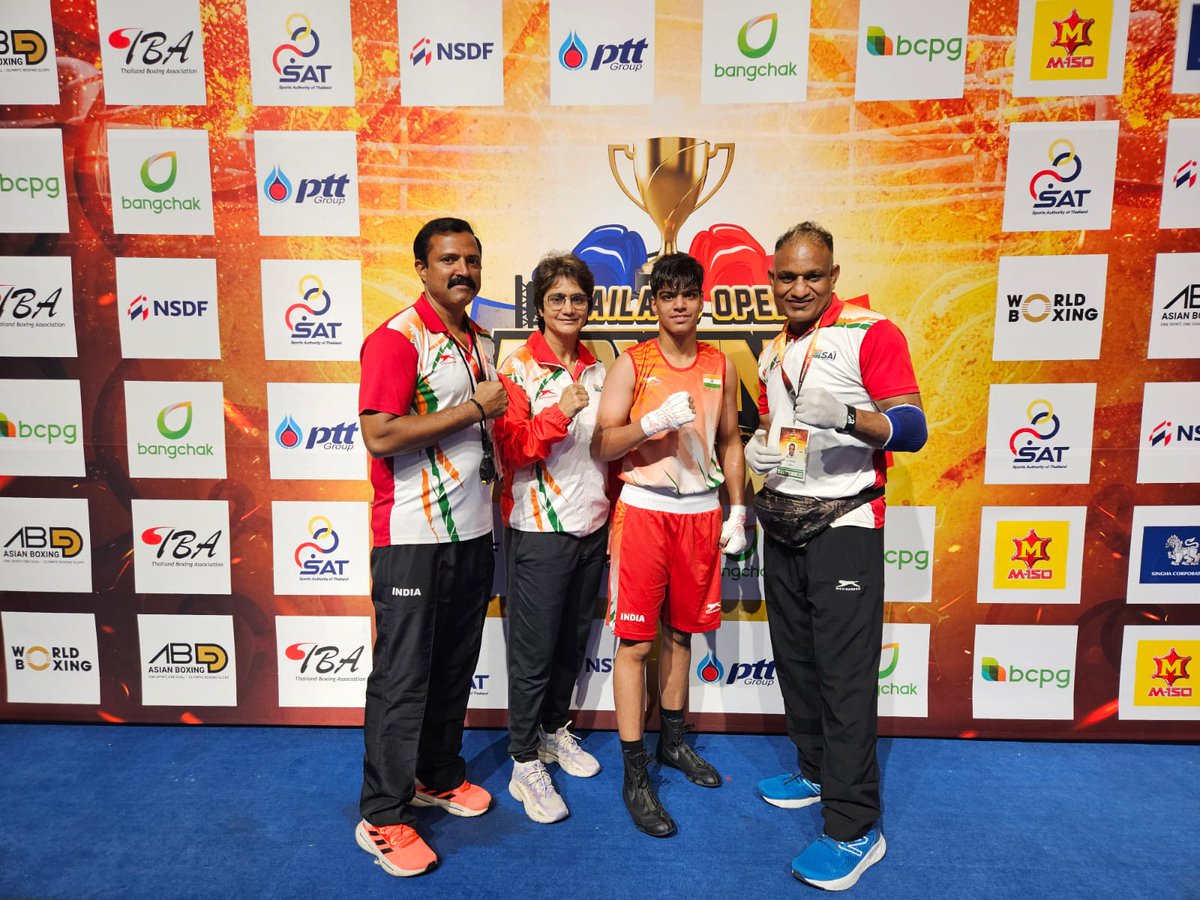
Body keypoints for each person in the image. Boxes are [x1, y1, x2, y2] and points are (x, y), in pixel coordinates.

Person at [745, 221, 926, 891]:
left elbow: (912, 429)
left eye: (812, 275)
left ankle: (854, 828)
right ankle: (815, 768)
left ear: (833, 275)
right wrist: (772, 456)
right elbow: (793, 431)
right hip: (786, 515)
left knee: (845, 678)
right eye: (786, 277)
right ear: (771, 281)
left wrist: (851, 417)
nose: (799, 287)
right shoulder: (774, 349)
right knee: (796, 659)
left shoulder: (872, 333)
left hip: (847, 521)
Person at [354, 217, 507, 878]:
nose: (462, 270)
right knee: (403, 678)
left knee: (452, 667)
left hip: (471, 534)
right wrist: (473, 409)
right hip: (412, 538)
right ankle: (382, 817)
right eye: (448, 259)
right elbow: (381, 436)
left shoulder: (478, 339)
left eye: (471, 259)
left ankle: (437, 774)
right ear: (422, 267)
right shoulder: (396, 339)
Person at [594, 252, 747, 837]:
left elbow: (731, 439)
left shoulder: (720, 363)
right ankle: (635, 773)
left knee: (682, 635)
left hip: (702, 516)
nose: (679, 304)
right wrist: (651, 424)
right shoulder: (632, 364)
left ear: (700, 299)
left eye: (689, 293)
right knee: (634, 644)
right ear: (653, 302)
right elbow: (604, 446)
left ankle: (673, 745)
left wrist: (738, 508)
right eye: (668, 294)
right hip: (646, 514)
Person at [493, 253, 610, 824]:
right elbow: (510, 451)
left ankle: (551, 733)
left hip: (592, 523)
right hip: (539, 529)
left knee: (571, 645)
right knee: (533, 654)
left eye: (578, 298)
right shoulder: (517, 370)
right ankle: (522, 762)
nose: (569, 307)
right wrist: (558, 413)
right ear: (538, 306)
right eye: (557, 298)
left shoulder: (598, 367)